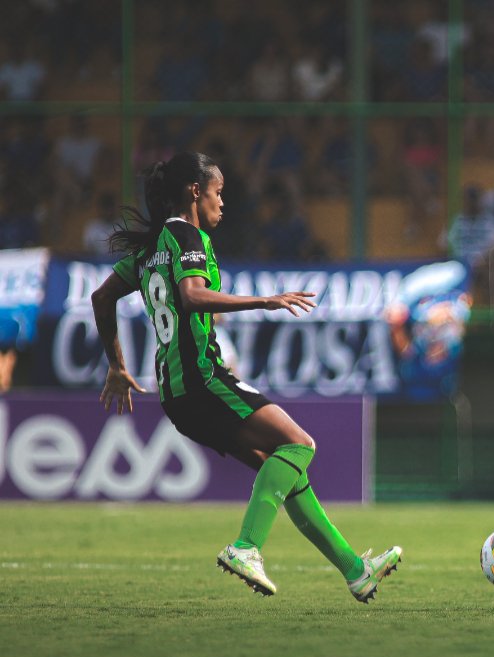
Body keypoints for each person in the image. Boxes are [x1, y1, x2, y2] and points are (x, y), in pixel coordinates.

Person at [90, 152, 401, 602]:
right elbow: (193, 296)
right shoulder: (185, 235)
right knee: (300, 445)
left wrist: (116, 365)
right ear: (195, 192)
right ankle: (246, 546)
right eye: (218, 192)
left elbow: (102, 299)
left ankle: (356, 570)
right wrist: (265, 301)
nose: (223, 203)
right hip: (202, 377)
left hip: (176, 393)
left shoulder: (150, 246)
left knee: (286, 474)